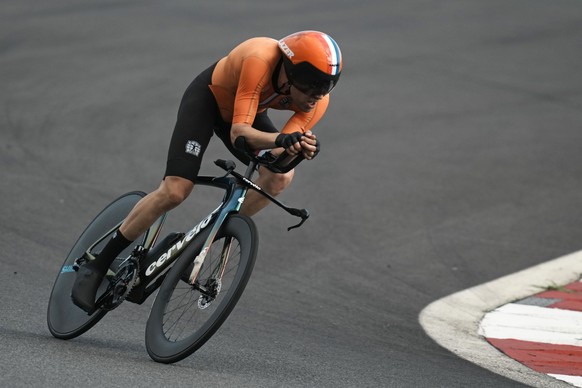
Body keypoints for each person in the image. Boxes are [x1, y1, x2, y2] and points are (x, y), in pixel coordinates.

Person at [71, 30, 343, 313]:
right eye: (311, 87)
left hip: (245, 113)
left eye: (326, 88)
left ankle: (206, 239)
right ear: (290, 72)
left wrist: (296, 149)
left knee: (280, 176)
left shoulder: (318, 101)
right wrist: (281, 141)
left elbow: (275, 157)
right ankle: (98, 264)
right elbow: (240, 133)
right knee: (176, 191)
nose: (316, 96)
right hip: (208, 101)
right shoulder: (259, 57)